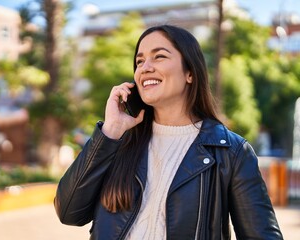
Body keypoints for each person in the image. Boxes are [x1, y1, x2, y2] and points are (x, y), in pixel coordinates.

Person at [54, 25, 283, 239]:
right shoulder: (117, 140)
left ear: (190, 73)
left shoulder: (231, 152)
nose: (145, 67)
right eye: (139, 61)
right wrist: (110, 131)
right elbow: (68, 213)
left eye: (159, 56)